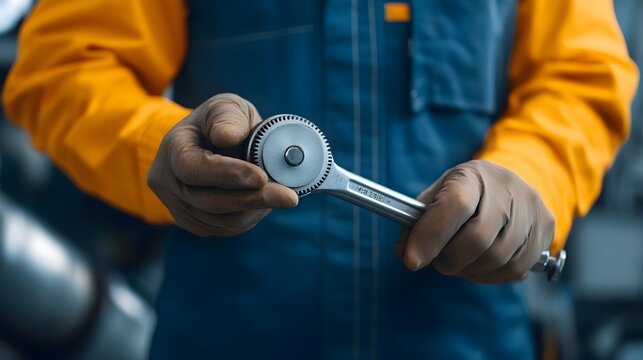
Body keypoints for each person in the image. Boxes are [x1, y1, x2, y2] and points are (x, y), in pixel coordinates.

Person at [3, 0, 637, 358]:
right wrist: (156, 147)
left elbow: (580, 79)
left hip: (465, 339)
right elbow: (64, 69)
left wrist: (529, 177)